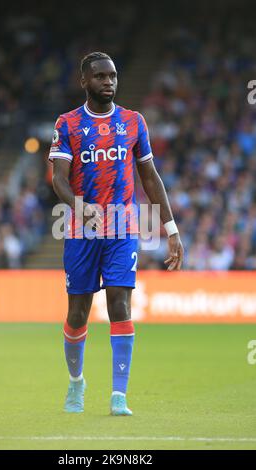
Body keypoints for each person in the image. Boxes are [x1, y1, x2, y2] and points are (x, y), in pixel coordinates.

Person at [49, 52, 183, 416]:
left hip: (123, 227)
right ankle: (77, 383)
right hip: (80, 228)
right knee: (77, 313)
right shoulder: (68, 124)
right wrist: (80, 206)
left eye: (113, 76)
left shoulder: (133, 122)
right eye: (100, 76)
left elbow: (150, 177)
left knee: (120, 305)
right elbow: (58, 178)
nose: (108, 81)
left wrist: (171, 229)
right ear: (84, 81)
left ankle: (119, 396)